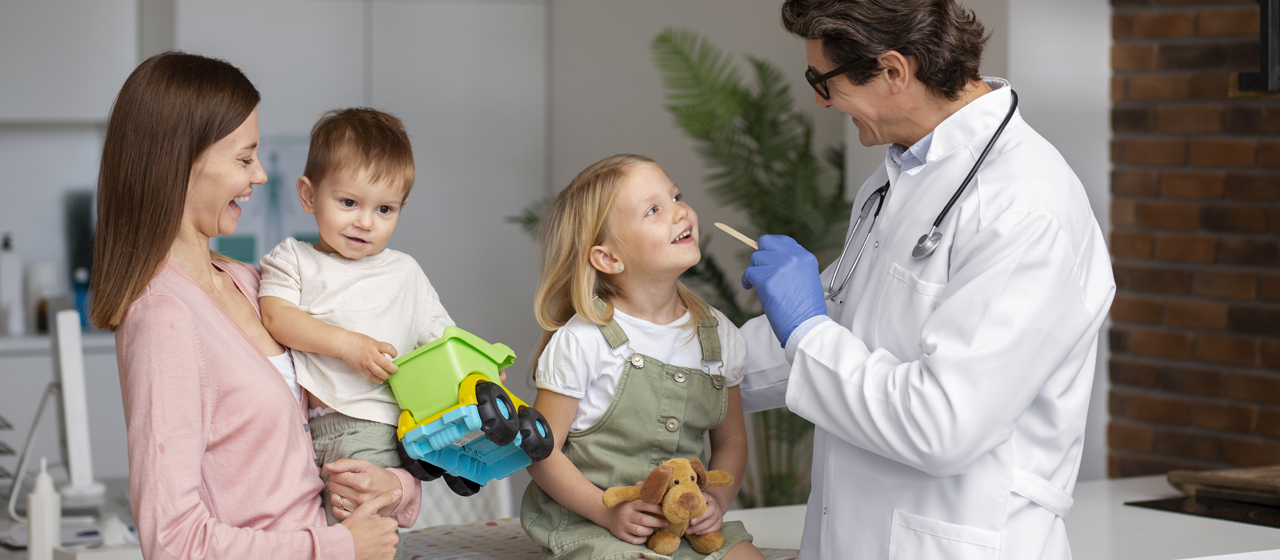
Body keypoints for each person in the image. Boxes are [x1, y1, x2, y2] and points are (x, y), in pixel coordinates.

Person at [737, 2, 1116, 559]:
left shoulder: (1025, 206)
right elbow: (843, 326)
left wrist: (806, 329)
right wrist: (673, 364)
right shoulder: (900, 175)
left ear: (894, 70)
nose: (820, 100)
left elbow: (943, 425)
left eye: (823, 80)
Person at [90, 52, 420, 560]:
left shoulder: (252, 283)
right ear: (180, 162)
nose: (261, 175)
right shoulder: (163, 317)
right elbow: (174, 543)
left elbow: (325, 438)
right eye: (244, 159)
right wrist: (336, 547)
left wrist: (395, 487)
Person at [520, 155, 763, 560]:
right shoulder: (583, 340)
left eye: (675, 196)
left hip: (681, 523)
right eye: (654, 210)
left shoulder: (719, 335)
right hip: (593, 524)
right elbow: (540, 452)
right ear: (609, 259)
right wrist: (606, 512)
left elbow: (733, 440)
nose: (680, 211)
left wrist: (717, 501)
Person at [258, 108, 459, 531]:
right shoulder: (294, 258)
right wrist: (348, 344)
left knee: (360, 536)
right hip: (302, 433)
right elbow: (277, 316)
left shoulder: (405, 273)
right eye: (348, 202)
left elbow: (445, 341)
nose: (365, 222)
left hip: (374, 430)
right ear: (309, 195)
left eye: (385, 209)